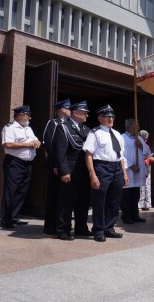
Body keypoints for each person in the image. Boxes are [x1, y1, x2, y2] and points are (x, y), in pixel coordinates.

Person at [83, 105, 128, 242]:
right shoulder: (94, 133)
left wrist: (124, 173)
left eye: (112, 117)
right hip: (102, 167)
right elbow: (88, 154)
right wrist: (92, 175)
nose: (111, 119)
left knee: (114, 200)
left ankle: (109, 228)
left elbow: (120, 157)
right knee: (99, 200)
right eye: (107, 117)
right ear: (100, 118)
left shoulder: (117, 134)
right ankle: (98, 229)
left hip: (117, 168)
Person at [52, 101, 92, 240]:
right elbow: (60, 153)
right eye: (84, 112)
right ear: (75, 113)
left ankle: (81, 228)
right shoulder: (63, 127)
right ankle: (63, 230)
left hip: (84, 173)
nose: (87, 114)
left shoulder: (87, 130)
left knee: (83, 203)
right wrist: (64, 172)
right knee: (66, 203)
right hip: (70, 172)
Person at [0, 105, 41, 229]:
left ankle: (13, 216)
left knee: (22, 191)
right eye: (27, 115)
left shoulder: (28, 128)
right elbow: (7, 144)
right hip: (14, 163)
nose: (29, 117)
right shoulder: (10, 128)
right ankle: (6, 219)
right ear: (20, 115)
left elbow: (36, 140)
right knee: (11, 190)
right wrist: (28, 145)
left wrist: (37, 142)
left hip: (27, 164)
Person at [42, 99, 71, 235]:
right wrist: (54, 164)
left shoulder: (69, 125)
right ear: (63, 109)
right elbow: (49, 145)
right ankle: (49, 226)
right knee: (53, 196)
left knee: (63, 197)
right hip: (55, 166)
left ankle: (61, 224)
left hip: (65, 167)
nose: (71, 111)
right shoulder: (53, 123)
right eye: (69, 108)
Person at [121, 119, 149, 224]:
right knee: (127, 196)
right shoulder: (122, 138)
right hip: (129, 170)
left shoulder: (140, 138)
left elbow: (147, 152)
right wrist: (131, 166)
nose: (138, 127)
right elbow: (120, 155)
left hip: (138, 170)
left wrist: (141, 145)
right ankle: (126, 216)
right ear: (129, 127)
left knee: (135, 195)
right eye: (136, 125)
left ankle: (135, 215)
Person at [138, 130, 153, 211]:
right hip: (140, 167)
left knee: (147, 186)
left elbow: (149, 155)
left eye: (146, 139)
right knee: (141, 186)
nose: (145, 141)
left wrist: (151, 159)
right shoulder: (137, 144)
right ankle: (140, 204)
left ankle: (146, 204)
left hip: (147, 168)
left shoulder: (147, 146)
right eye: (144, 139)